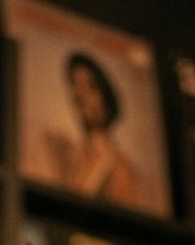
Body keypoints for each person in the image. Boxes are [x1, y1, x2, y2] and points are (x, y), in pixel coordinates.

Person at [44, 54, 142, 206]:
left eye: (91, 86)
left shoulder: (118, 167)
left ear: (106, 96)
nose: (80, 95)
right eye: (75, 85)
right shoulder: (72, 155)